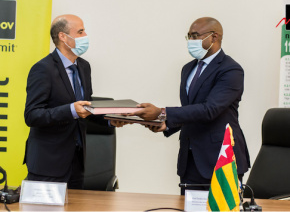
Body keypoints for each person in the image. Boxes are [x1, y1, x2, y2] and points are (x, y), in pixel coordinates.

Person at [133, 17, 250, 195]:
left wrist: (163, 112)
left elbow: (210, 110)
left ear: (214, 37)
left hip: (221, 158)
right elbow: (192, 111)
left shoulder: (231, 70)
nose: (191, 42)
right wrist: (165, 123)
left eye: (195, 36)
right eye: (188, 37)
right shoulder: (188, 69)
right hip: (190, 160)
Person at [23, 14, 122, 189]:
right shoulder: (42, 69)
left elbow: (86, 108)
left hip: (76, 162)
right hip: (48, 164)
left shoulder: (84, 67)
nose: (86, 36)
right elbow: (32, 115)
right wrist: (70, 110)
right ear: (63, 36)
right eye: (81, 31)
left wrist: (110, 120)